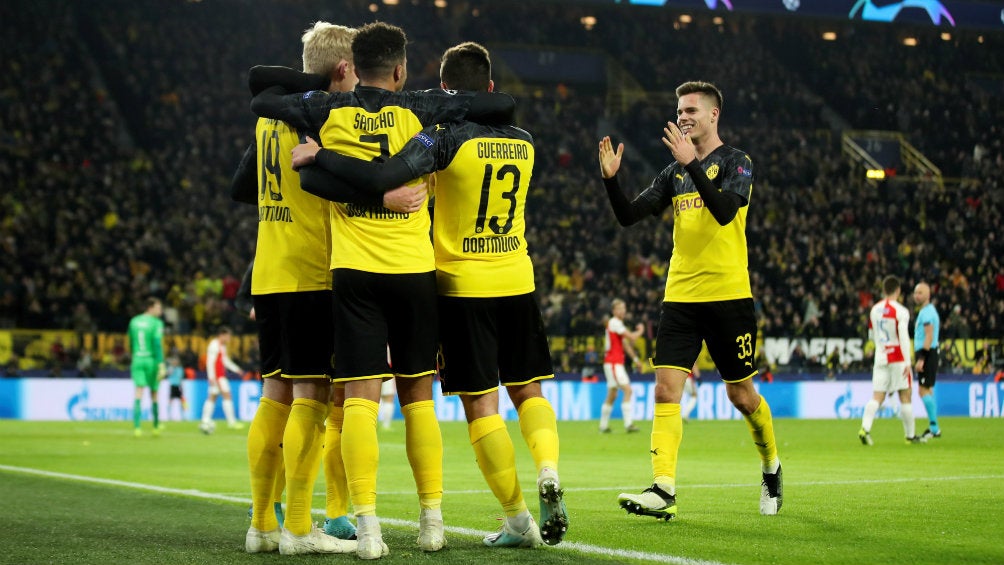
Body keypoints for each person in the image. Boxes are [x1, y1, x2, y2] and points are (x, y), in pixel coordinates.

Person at [248, 22, 514, 559]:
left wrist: (322, 152)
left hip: (343, 274)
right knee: (413, 400)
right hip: (410, 272)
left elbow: (260, 93)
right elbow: (501, 105)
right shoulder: (420, 107)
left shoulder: (322, 111)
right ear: (400, 69)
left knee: (348, 403)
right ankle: (429, 522)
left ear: (352, 67)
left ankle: (360, 528)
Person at [289, 42, 568, 548]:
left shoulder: (437, 138)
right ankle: (533, 473)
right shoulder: (526, 141)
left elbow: (381, 175)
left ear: (442, 90)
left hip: (455, 284)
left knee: (460, 406)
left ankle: (506, 518)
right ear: (486, 87)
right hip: (512, 280)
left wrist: (329, 160)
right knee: (525, 391)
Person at [597, 80, 783, 519]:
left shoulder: (738, 162)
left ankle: (771, 465)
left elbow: (723, 212)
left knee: (742, 396)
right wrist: (611, 181)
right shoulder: (672, 172)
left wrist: (692, 163)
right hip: (680, 295)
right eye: (679, 110)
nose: (682, 117)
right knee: (665, 390)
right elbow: (629, 216)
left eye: (691, 110)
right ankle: (663, 488)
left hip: (729, 296)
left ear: (714, 115)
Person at [230, 22, 366, 556]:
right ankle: (300, 527)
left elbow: (242, 187)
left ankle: (262, 524)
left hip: (269, 271)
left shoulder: (270, 118)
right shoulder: (326, 116)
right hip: (314, 270)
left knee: (275, 395)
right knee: (313, 397)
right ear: (344, 68)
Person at [858, 275, 923, 445]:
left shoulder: (874, 310)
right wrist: (908, 362)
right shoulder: (901, 311)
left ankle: (865, 428)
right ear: (898, 290)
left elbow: (871, 336)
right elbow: (903, 337)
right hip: (898, 358)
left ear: (883, 290)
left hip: (880, 357)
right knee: (905, 396)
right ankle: (910, 436)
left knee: (877, 397)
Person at [599, 298, 644, 433]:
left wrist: (636, 359)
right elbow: (632, 337)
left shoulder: (617, 325)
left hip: (612, 362)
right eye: (620, 308)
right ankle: (628, 424)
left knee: (612, 394)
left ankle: (603, 426)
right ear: (614, 311)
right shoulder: (614, 323)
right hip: (614, 363)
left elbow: (625, 345)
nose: (623, 311)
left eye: (624, 308)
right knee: (628, 390)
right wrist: (641, 330)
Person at [127, 297, 166, 437]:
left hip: (137, 358)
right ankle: (155, 426)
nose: (160, 311)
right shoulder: (156, 323)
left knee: (138, 392)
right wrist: (161, 363)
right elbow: (157, 344)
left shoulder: (134, 321)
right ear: (151, 307)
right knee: (154, 393)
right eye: (158, 308)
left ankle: (137, 427)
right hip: (151, 360)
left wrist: (134, 356)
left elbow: (130, 342)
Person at [200, 326, 244, 432]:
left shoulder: (221, 346)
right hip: (218, 377)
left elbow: (225, 360)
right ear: (222, 335)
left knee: (212, 397)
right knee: (227, 396)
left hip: (219, 376)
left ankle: (205, 420)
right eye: (228, 336)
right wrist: (211, 377)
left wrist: (236, 369)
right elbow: (210, 362)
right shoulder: (214, 345)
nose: (229, 339)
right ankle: (231, 422)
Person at [913, 281, 942, 440]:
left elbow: (929, 336)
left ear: (928, 295)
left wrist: (921, 359)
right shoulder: (927, 311)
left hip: (927, 353)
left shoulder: (927, 313)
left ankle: (934, 427)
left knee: (922, 390)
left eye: (920, 293)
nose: (917, 295)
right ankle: (934, 427)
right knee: (928, 390)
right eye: (916, 293)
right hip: (929, 352)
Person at [165, 355, 186, 421]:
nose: (175, 362)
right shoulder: (170, 368)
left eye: (176, 361)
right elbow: (167, 374)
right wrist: (172, 368)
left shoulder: (180, 369)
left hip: (178, 386)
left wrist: (182, 386)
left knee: (182, 401)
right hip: (172, 386)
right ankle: (169, 416)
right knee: (170, 400)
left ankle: (183, 416)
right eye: (174, 361)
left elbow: (181, 377)